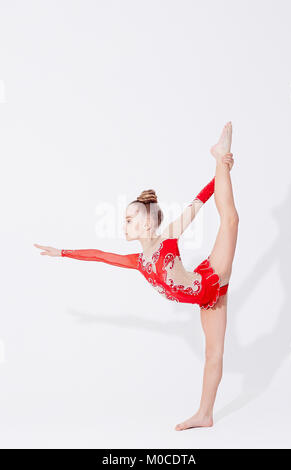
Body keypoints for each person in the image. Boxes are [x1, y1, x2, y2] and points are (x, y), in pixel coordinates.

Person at [34, 121, 239, 430]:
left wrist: (221, 170)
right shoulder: (138, 261)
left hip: (210, 278)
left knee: (231, 221)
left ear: (146, 223)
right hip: (207, 300)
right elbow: (99, 256)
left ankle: (220, 153)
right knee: (214, 355)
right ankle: (205, 415)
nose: (124, 224)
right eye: (124, 219)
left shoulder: (168, 238)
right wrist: (61, 252)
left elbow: (198, 202)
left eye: (129, 219)